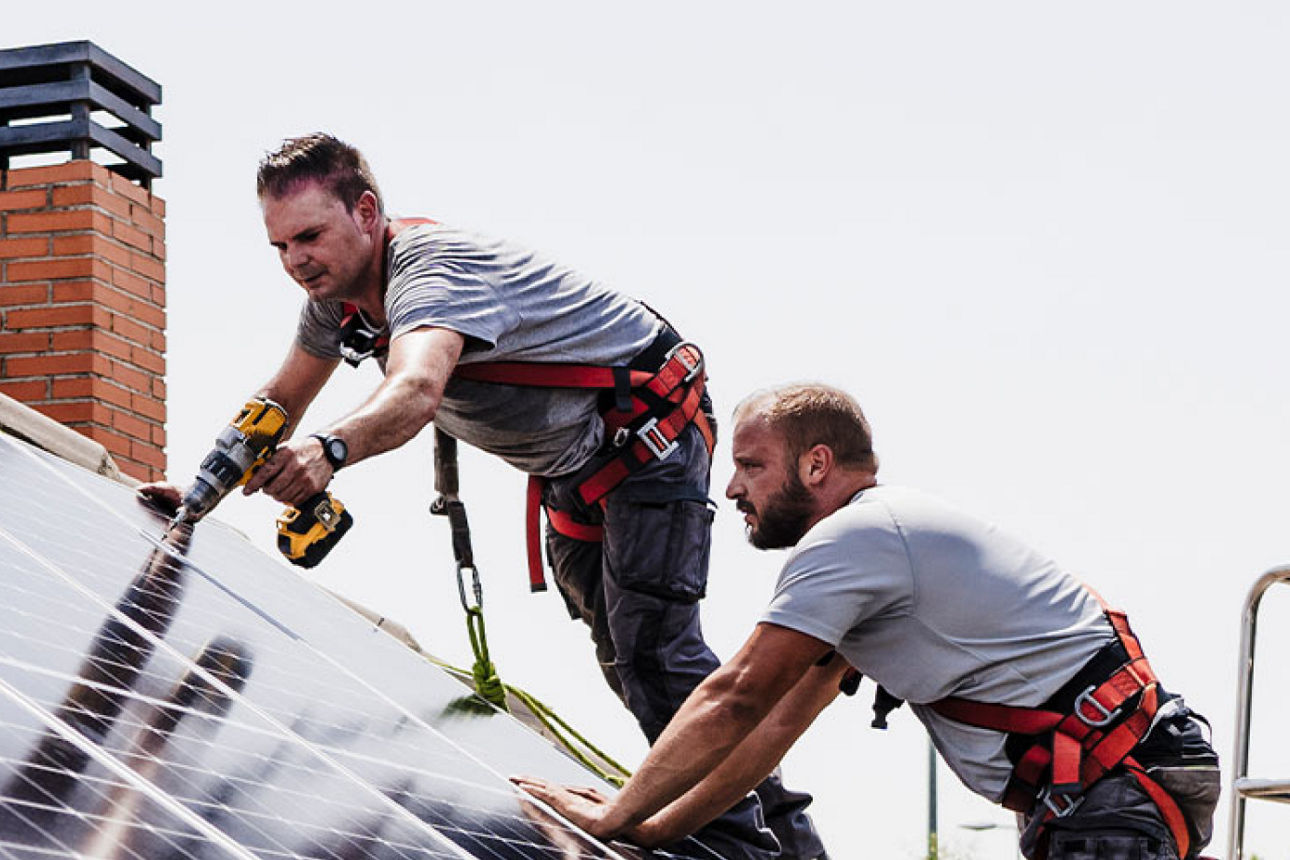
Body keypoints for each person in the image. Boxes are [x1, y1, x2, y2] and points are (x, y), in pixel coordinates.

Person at [142, 134, 825, 859]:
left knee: (654, 652)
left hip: (649, 434)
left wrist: (328, 451)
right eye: (280, 246)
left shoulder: (432, 274)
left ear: (367, 212)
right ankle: (786, 842)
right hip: (578, 471)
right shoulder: (336, 306)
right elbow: (278, 400)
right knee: (633, 663)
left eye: (310, 235)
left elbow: (415, 388)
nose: (296, 261)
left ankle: (734, 850)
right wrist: (199, 496)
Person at [513, 383, 1221, 860]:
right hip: (1118, 778)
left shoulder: (856, 540)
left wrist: (609, 818)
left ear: (817, 464)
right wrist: (655, 827)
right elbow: (773, 727)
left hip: (1112, 781)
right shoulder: (881, 547)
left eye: (752, 466)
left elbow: (736, 697)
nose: (731, 487)